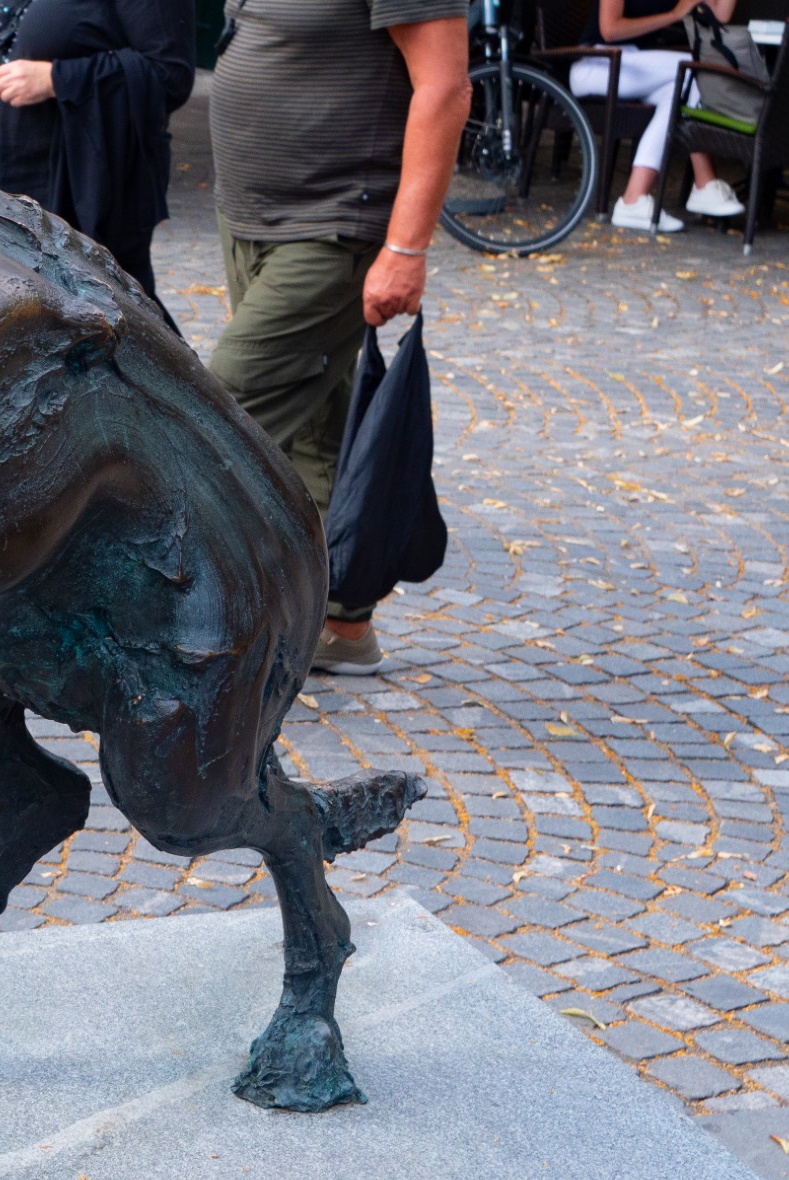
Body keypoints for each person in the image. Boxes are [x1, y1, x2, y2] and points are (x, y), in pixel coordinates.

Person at [206, 0, 470, 675]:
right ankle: (341, 624)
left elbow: (444, 87)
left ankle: (184, 631)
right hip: (254, 217)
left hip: (334, 225)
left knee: (215, 420)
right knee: (316, 418)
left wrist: (405, 248)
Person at [0, 0, 198, 308]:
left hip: (91, 187)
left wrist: (56, 79)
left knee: (111, 316)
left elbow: (170, 75)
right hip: (17, 181)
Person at [564, 0, 749, 233]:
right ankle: (704, 185)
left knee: (680, 91)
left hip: (634, 66)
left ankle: (634, 198)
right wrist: (674, 15)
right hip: (597, 62)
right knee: (693, 71)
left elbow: (720, 14)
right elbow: (610, 30)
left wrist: (678, 12)